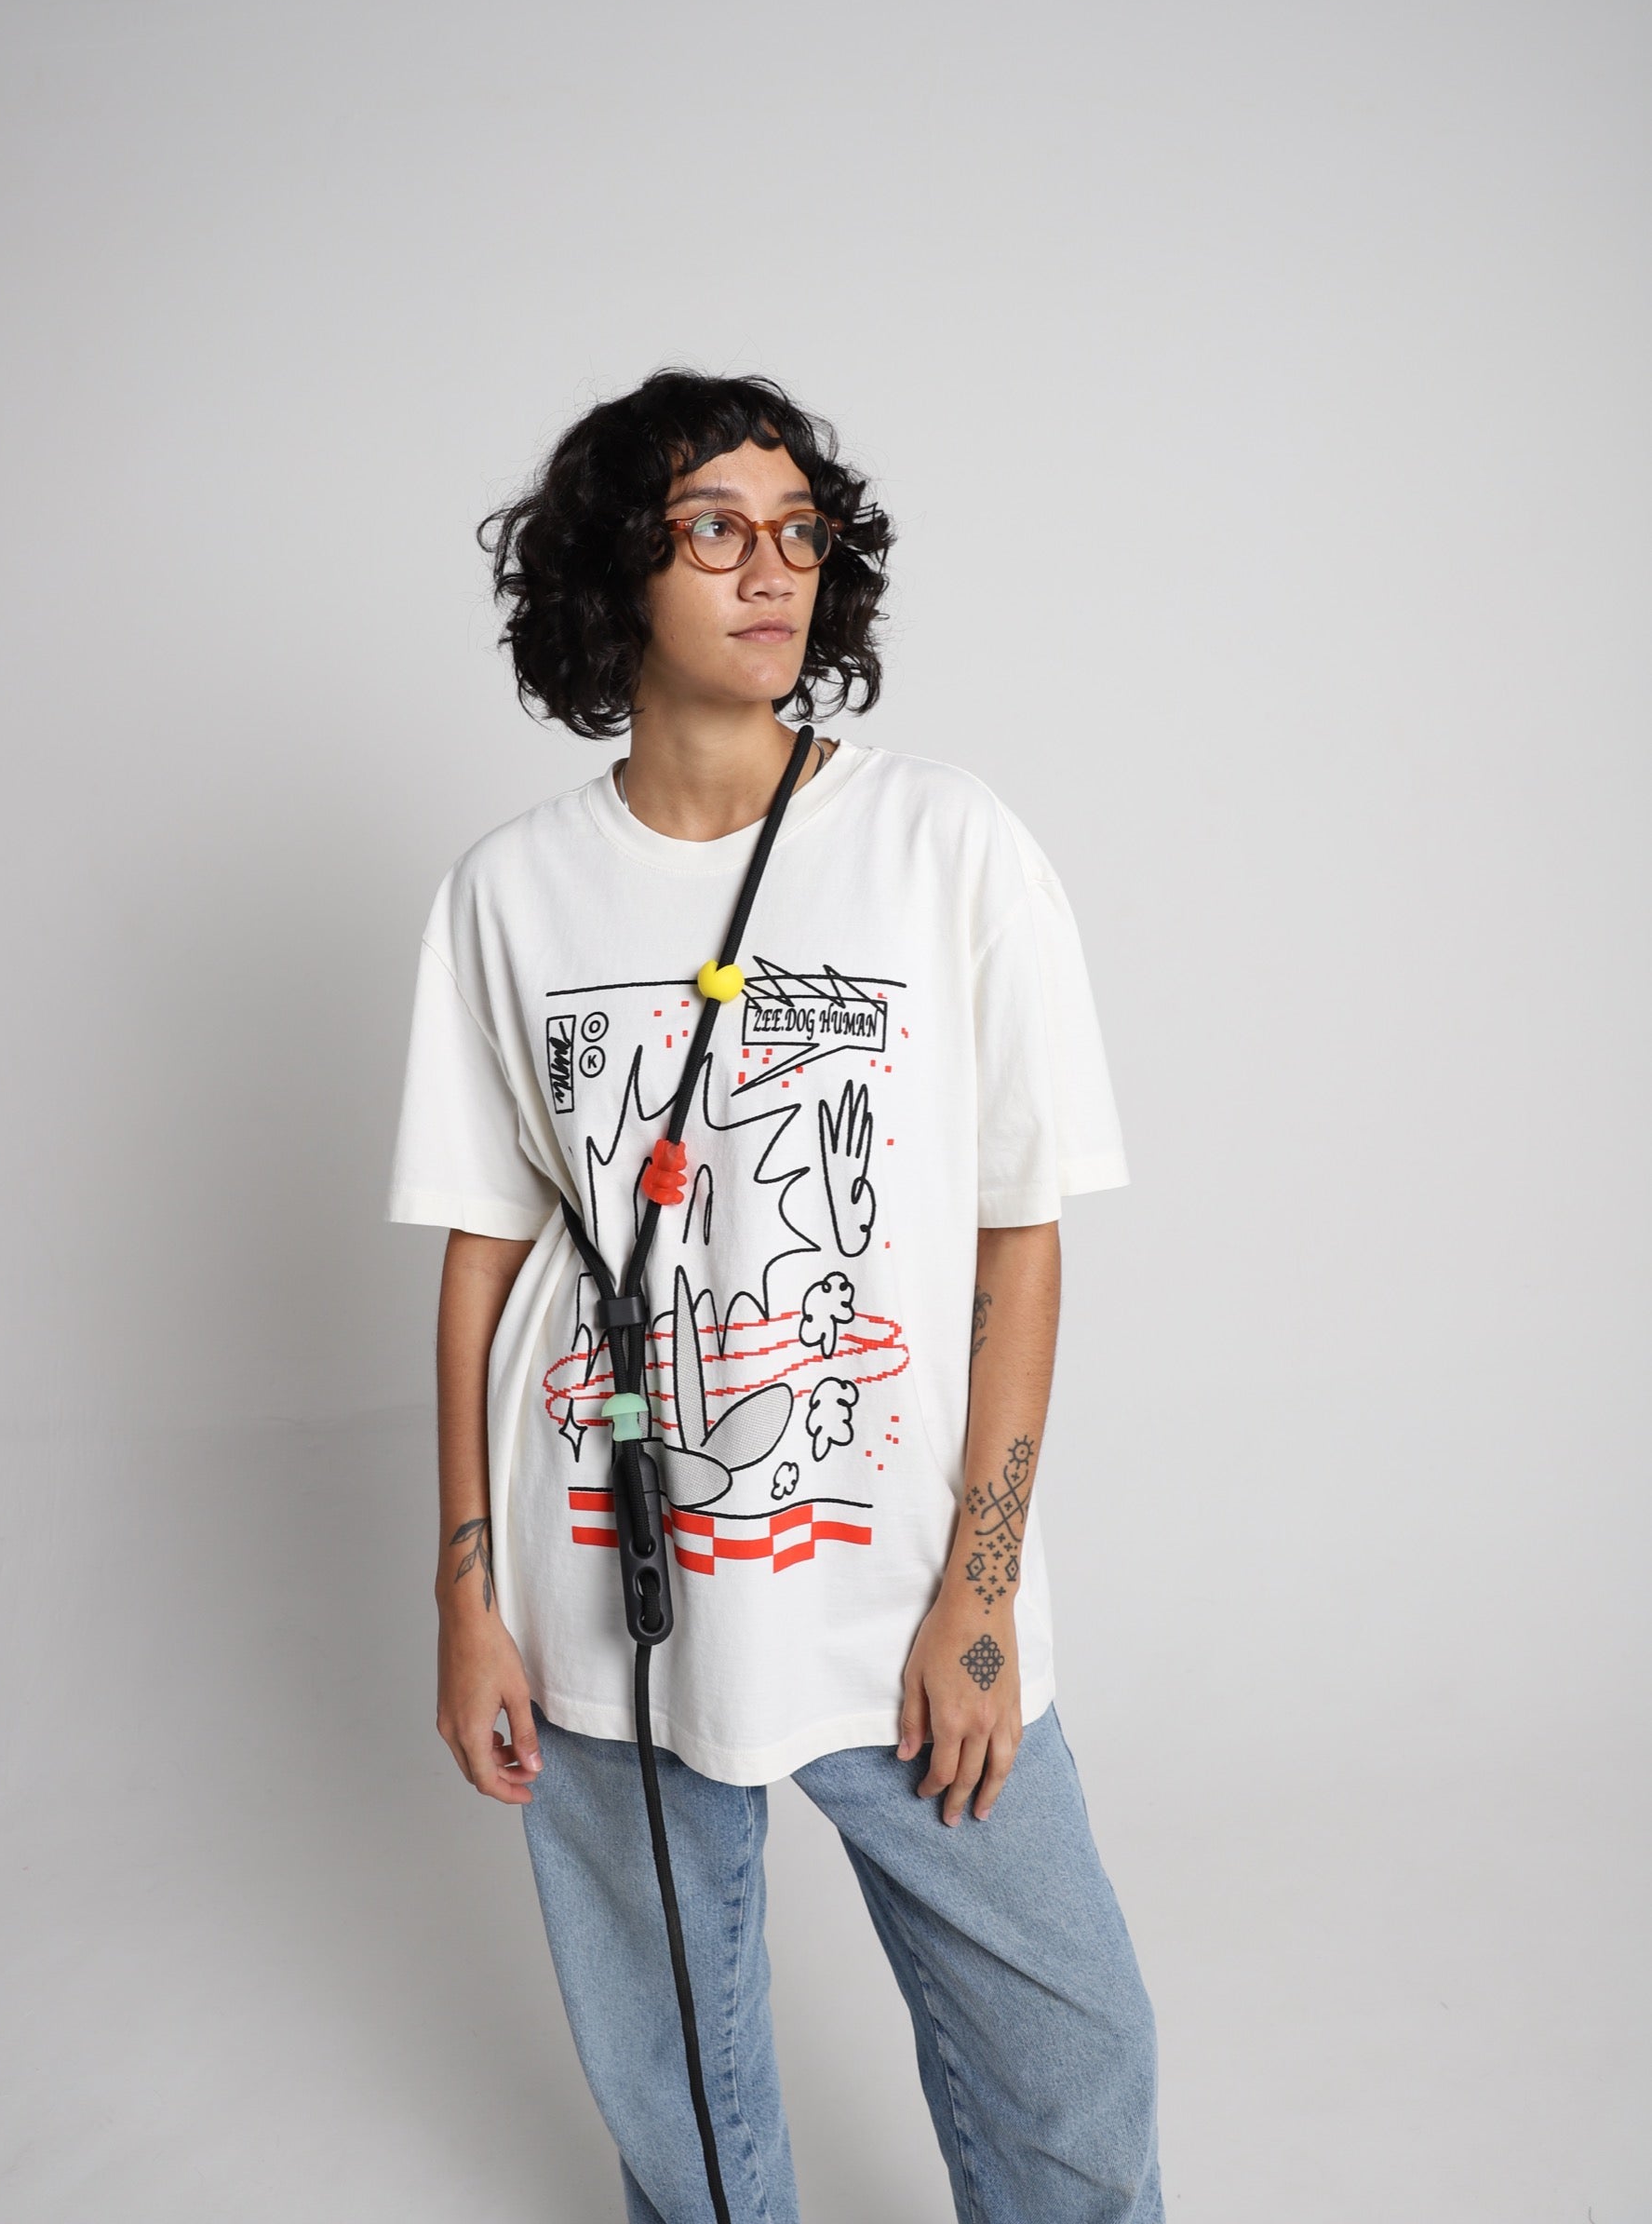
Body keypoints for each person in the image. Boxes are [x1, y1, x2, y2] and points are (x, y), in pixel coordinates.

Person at [387, 369, 1164, 2223]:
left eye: (801, 531)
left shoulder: (942, 844)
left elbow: (1019, 1234)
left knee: (1074, 2064)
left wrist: (980, 1589)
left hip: (893, 1579)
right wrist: (469, 1590)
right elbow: (482, 1256)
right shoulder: (510, 894)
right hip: (602, 1587)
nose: (772, 568)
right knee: (682, 2106)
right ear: (614, 571)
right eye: (715, 529)